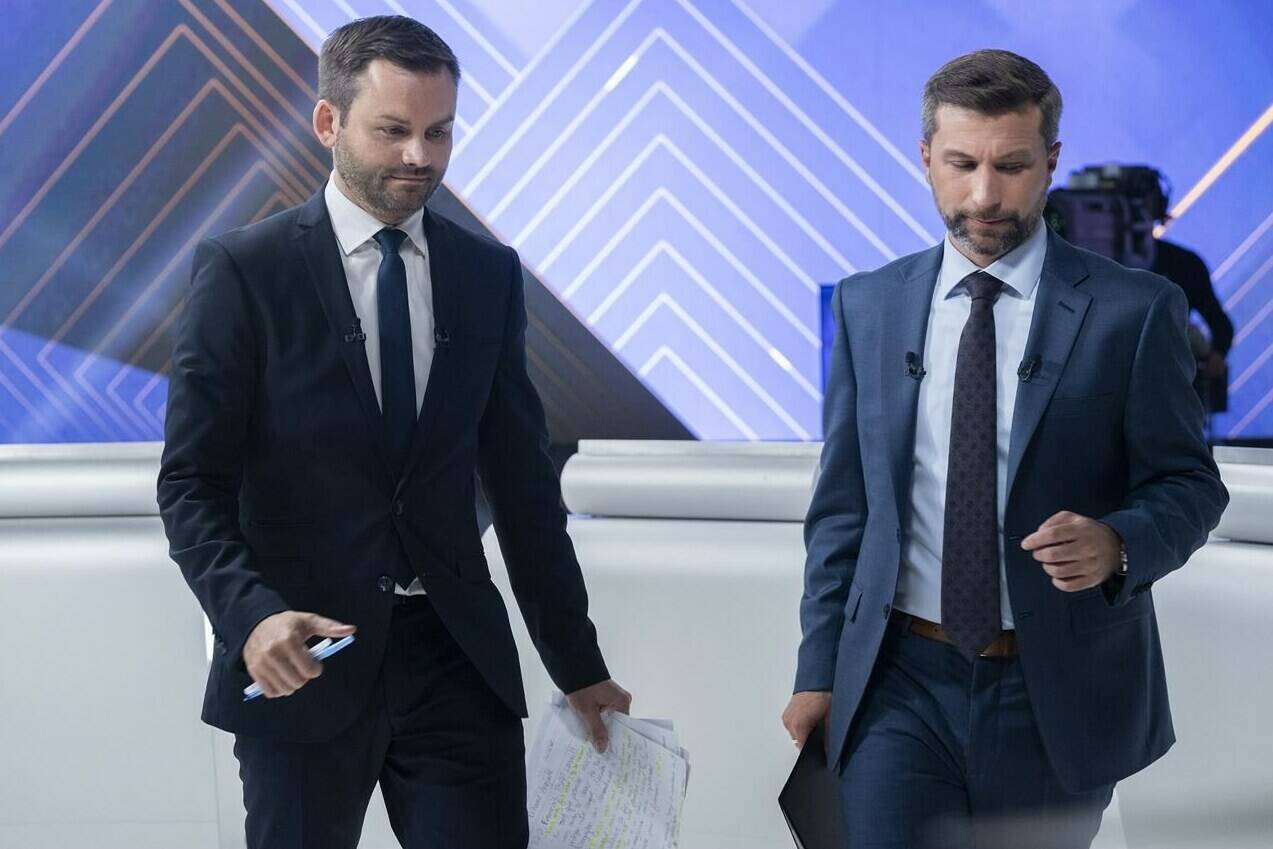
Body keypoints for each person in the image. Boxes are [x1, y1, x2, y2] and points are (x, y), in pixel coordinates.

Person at [157, 16, 630, 849]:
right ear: (327, 122)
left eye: (439, 131)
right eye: (393, 130)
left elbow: (523, 489)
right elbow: (191, 483)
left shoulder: (488, 274)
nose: (420, 155)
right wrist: (252, 617)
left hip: (456, 663)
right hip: (305, 660)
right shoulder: (243, 270)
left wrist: (578, 663)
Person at [782, 49, 1227, 848]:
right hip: (895, 682)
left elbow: (1190, 484)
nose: (984, 195)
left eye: (1011, 166)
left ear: (1049, 161)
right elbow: (843, 510)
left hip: (1052, 689)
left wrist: (1117, 542)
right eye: (961, 164)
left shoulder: (1135, 311)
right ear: (925, 158)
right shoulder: (867, 305)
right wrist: (818, 670)